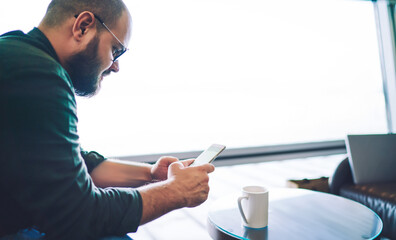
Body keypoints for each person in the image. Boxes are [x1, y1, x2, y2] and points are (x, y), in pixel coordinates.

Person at [0, 0, 215, 239]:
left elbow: (77, 165)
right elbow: (78, 215)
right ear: (83, 26)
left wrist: (153, 174)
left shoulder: (16, 53)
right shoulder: (39, 76)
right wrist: (175, 192)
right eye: (116, 50)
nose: (116, 66)